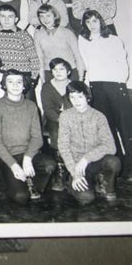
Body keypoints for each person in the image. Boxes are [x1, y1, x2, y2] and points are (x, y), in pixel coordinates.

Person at [78, 10, 131, 180]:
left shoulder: (114, 39)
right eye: (88, 22)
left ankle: (131, 167)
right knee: (108, 129)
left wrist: (119, 83)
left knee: (126, 128)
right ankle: (118, 166)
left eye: (95, 20)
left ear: (101, 21)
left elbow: (122, 63)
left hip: (115, 86)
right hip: (96, 87)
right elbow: (85, 63)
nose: (92, 24)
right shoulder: (83, 40)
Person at [0, 69, 56, 204]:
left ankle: (32, 184)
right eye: (10, 82)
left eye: (19, 82)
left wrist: (27, 158)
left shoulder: (31, 106)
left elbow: (37, 137)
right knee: (20, 197)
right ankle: (8, 179)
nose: (15, 85)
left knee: (49, 165)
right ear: (4, 85)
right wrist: (13, 165)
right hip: (8, 156)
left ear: (24, 85)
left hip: (28, 154)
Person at [58, 81, 121, 204]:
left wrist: (86, 158)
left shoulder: (99, 116)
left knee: (114, 162)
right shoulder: (65, 116)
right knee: (86, 198)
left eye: (80, 96)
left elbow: (110, 146)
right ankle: (70, 182)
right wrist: (75, 173)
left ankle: (103, 182)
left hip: (95, 162)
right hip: (76, 166)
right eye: (72, 97)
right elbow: (63, 147)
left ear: (87, 96)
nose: (76, 101)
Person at [0, 4, 40, 100]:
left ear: (16, 19)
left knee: (28, 106)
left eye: (10, 17)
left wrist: (33, 79)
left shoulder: (23, 35)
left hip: (24, 76)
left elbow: (34, 59)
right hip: (4, 75)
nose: (7, 20)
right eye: (3, 16)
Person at [40, 58, 73, 191]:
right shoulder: (47, 86)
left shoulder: (74, 85)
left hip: (73, 120)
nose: (58, 72)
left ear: (69, 71)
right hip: (52, 120)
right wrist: (62, 119)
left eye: (62, 69)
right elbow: (48, 109)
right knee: (56, 132)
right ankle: (60, 172)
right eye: (54, 69)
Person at [34, 4, 85, 83]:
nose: (45, 19)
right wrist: (43, 79)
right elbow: (39, 58)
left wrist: (81, 77)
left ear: (55, 16)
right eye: (42, 16)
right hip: (50, 72)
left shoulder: (67, 33)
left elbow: (78, 55)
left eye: (48, 15)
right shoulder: (38, 35)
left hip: (70, 72)